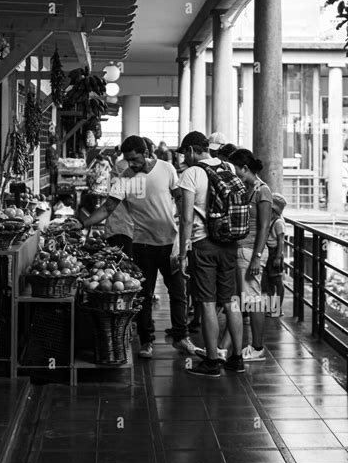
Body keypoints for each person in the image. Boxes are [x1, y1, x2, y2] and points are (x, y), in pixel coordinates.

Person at [79, 135, 202, 359]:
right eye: (127, 160)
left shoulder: (167, 169)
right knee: (143, 295)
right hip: (143, 245)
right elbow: (107, 208)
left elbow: (180, 200)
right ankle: (146, 341)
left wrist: (185, 229)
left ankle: (181, 337)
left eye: (134, 159)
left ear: (145, 153)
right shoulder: (125, 178)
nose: (131, 164)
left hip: (171, 244)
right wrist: (82, 223)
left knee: (178, 293)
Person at [177, 132, 245, 377]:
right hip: (229, 243)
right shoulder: (228, 167)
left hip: (203, 243)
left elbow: (186, 219)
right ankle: (237, 359)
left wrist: (183, 251)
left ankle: (212, 362)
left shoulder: (191, 173)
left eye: (185, 152)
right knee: (230, 300)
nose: (184, 157)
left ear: (193, 150)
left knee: (206, 302)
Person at [227, 148, 273, 362]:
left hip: (250, 252)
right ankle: (227, 346)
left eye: (236, 169)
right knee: (241, 299)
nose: (234, 173)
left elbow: (264, 227)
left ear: (245, 168)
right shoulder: (247, 189)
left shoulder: (263, 191)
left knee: (253, 300)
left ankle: (257, 348)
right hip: (242, 250)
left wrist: (256, 256)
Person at [263, 193, 287, 317]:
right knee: (270, 283)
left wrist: (278, 257)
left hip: (275, 254)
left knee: (278, 282)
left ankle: (278, 308)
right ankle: (271, 307)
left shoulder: (278, 222)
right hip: (269, 254)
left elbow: (281, 241)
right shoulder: (272, 220)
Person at [104, 157, 134, 257]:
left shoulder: (123, 166)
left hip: (123, 226)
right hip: (122, 227)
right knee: (124, 265)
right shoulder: (124, 168)